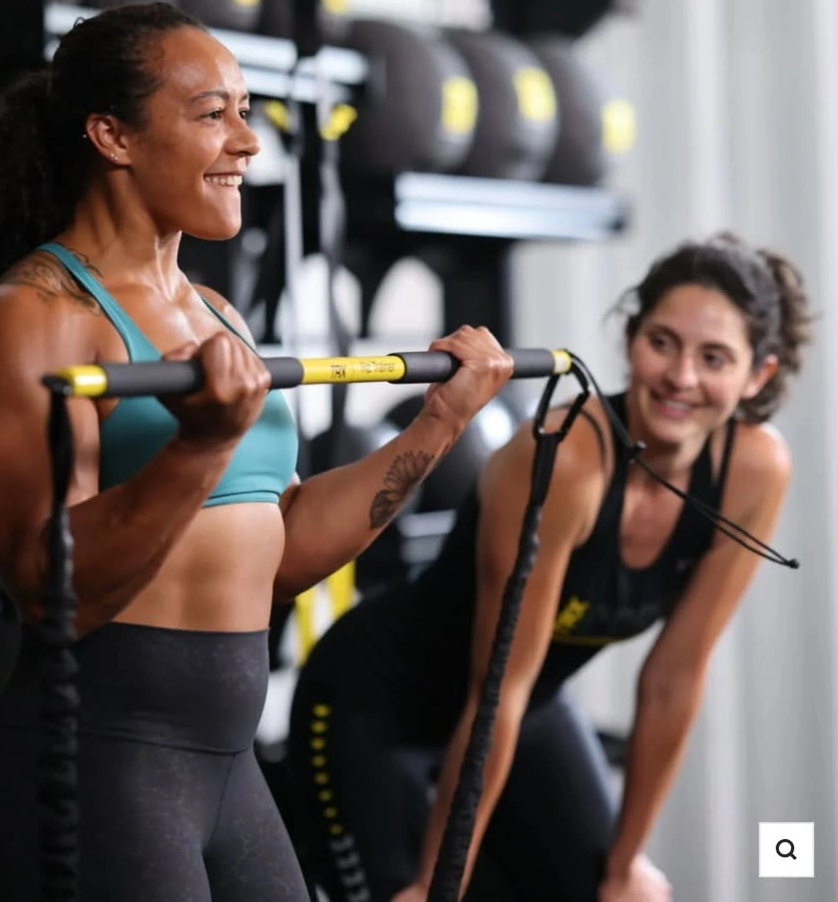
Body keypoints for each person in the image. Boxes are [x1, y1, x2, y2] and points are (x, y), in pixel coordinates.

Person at [0, 1, 516, 902]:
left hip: (225, 764)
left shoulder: (216, 315)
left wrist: (439, 422)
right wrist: (200, 445)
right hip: (93, 760)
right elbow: (50, 590)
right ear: (112, 136)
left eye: (245, 110)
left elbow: (282, 545)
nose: (248, 142)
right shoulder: (28, 323)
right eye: (213, 114)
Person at [286, 232, 813, 902]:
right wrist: (433, 883)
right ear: (631, 338)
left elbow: (672, 679)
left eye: (714, 358)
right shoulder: (566, 463)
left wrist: (624, 867)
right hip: (377, 708)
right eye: (662, 342)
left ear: (757, 376)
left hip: (528, 710)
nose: (681, 377)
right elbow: (495, 692)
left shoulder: (754, 472)